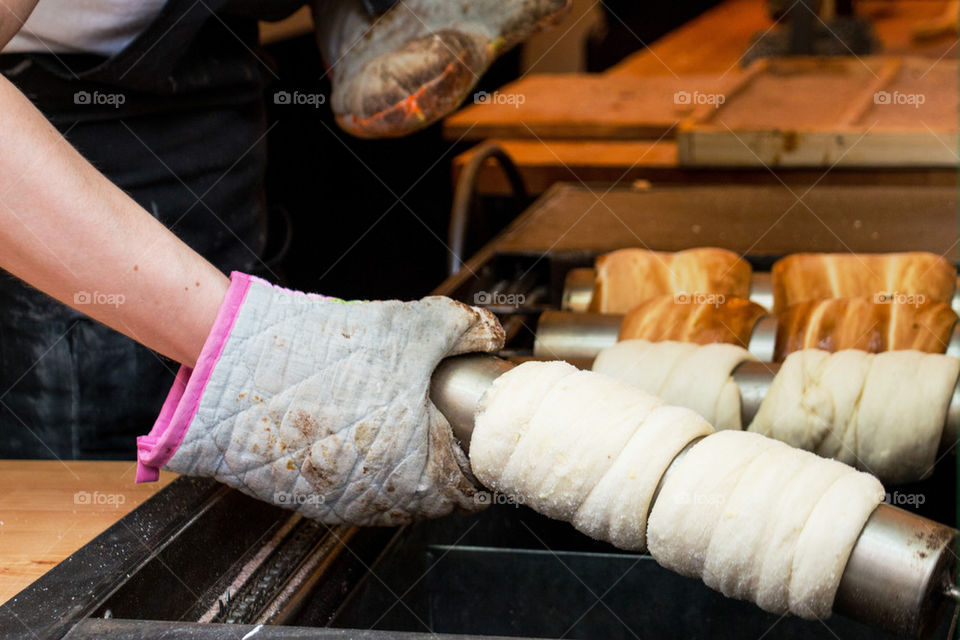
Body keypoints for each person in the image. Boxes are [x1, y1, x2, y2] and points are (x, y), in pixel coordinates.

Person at [0, 0, 567, 524]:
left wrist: (358, 21)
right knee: (109, 542)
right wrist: (261, 354)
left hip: (214, 107)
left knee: (236, 516)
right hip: (60, 166)